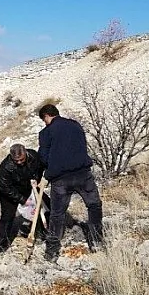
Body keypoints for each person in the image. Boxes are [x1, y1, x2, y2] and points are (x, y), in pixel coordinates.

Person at [38, 104, 104, 263]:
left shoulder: (46, 132)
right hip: (83, 174)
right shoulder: (75, 125)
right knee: (94, 205)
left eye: (44, 120)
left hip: (60, 179)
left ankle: (52, 251)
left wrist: (46, 173)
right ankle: (96, 242)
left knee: (57, 214)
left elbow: (43, 157)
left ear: (47, 116)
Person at [0, 144, 50, 253]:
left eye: (21, 159)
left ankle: (45, 232)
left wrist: (38, 179)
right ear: (11, 157)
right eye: (16, 161)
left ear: (25, 153)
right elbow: (4, 187)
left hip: (29, 186)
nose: (19, 162)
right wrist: (22, 199)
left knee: (46, 205)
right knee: (8, 216)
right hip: (10, 193)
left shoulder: (33, 156)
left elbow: (41, 167)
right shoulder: (5, 168)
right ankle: (1, 245)